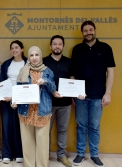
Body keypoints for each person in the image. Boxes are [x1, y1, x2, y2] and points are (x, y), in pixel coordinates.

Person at [70, 20, 115, 167]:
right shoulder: (76, 49)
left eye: (90, 30)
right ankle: (81, 154)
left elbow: (111, 72)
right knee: (81, 126)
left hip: (98, 96)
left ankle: (94, 154)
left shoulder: (106, 48)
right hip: (80, 96)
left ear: (95, 30)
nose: (88, 33)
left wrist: (108, 93)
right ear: (82, 33)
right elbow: (72, 74)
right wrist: (73, 93)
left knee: (94, 127)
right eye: (85, 31)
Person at [12, 46, 58, 167]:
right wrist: (14, 101)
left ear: (40, 56)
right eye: (31, 55)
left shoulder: (47, 71)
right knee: (27, 142)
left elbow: (53, 88)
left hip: (42, 111)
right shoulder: (23, 71)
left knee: (42, 143)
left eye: (36, 55)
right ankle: (29, 165)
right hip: (26, 110)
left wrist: (46, 81)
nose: (34, 58)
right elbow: (18, 89)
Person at [43, 35, 72, 167]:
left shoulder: (69, 62)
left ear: (63, 46)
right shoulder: (43, 62)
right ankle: (45, 155)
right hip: (47, 103)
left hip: (65, 103)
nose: (57, 46)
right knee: (45, 130)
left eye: (60, 44)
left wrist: (76, 93)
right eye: (54, 44)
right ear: (50, 46)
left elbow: (72, 80)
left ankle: (61, 155)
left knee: (63, 129)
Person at [0, 40, 26, 164]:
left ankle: (19, 153)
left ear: (22, 49)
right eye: (12, 48)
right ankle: (7, 154)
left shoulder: (28, 63)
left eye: (16, 47)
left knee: (21, 127)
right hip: (7, 99)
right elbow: (2, 82)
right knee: (7, 126)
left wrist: (16, 97)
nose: (14, 50)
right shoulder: (6, 64)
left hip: (23, 99)